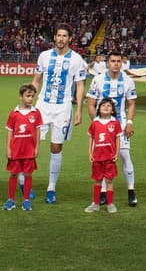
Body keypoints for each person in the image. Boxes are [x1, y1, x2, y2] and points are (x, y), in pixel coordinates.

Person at [31, 24, 87, 204]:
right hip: (42, 105)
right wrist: (29, 102)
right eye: (59, 35)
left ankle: (51, 188)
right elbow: (36, 80)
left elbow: (80, 86)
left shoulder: (77, 60)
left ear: (69, 39)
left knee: (56, 147)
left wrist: (79, 110)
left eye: (64, 36)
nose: (61, 39)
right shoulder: (44, 56)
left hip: (63, 107)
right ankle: (25, 181)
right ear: (54, 37)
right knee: (31, 143)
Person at [87, 51, 138, 206]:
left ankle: (131, 190)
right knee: (102, 158)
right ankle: (103, 192)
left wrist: (129, 122)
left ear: (121, 63)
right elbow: (91, 103)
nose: (116, 64)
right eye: (113, 61)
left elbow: (131, 103)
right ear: (107, 63)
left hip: (120, 124)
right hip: (101, 125)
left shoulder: (128, 81)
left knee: (125, 155)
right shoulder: (98, 80)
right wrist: (96, 123)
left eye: (118, 61)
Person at [3, 83, 42, 211]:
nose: (30, 99)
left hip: (29, 150)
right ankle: (11, 199)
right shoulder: (14, 113)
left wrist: (37, 147)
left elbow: (38, 130)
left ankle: (26, 200)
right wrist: (8, 148)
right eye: (27, 96)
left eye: (32, 96)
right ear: (21, 97)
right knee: (13, 174)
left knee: (28, 174)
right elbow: (9, 131)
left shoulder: (36, 113)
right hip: (16, 149)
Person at [86, 98, 122, 213]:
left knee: (109, 181)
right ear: (99, 109)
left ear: (112, 110)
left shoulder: (115, 122)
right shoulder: (95, 123)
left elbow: (117, 138)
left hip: (109, 157)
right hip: (97, 157)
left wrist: (116, 153)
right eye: (103, 105)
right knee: (97, 180)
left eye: (108, 105)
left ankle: (110, 204)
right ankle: (95, 203)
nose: (106, 107)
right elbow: (91, 138)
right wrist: (90, 153)